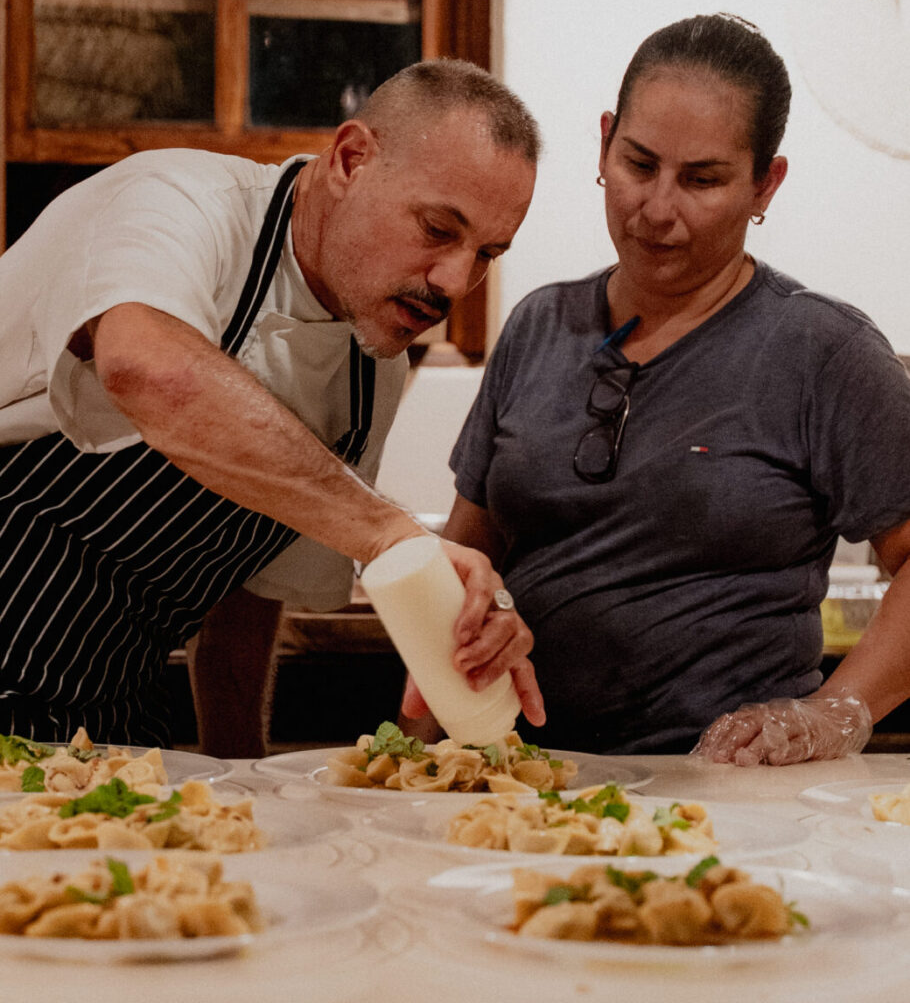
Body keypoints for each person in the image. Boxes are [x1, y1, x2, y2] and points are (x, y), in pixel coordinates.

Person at [400, 14, 910, 765]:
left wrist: (838, 710)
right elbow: (466, 562)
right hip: (525, 784)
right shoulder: (540, 324)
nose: (658, 208)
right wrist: (409, 748)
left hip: (734, 797)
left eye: (702, 180)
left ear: (765, 183)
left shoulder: (822, 351)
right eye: (639, 164)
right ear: (605, 142)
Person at [0, 58, 546, 754]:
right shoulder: (180, 201)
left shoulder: (365, 373)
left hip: (103, 727)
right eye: (439, 229)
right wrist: (391, 534)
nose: (454, 281)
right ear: (351, 159)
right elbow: (146, 368)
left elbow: (246, 598)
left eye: (487, 254)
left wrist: (244, 778)